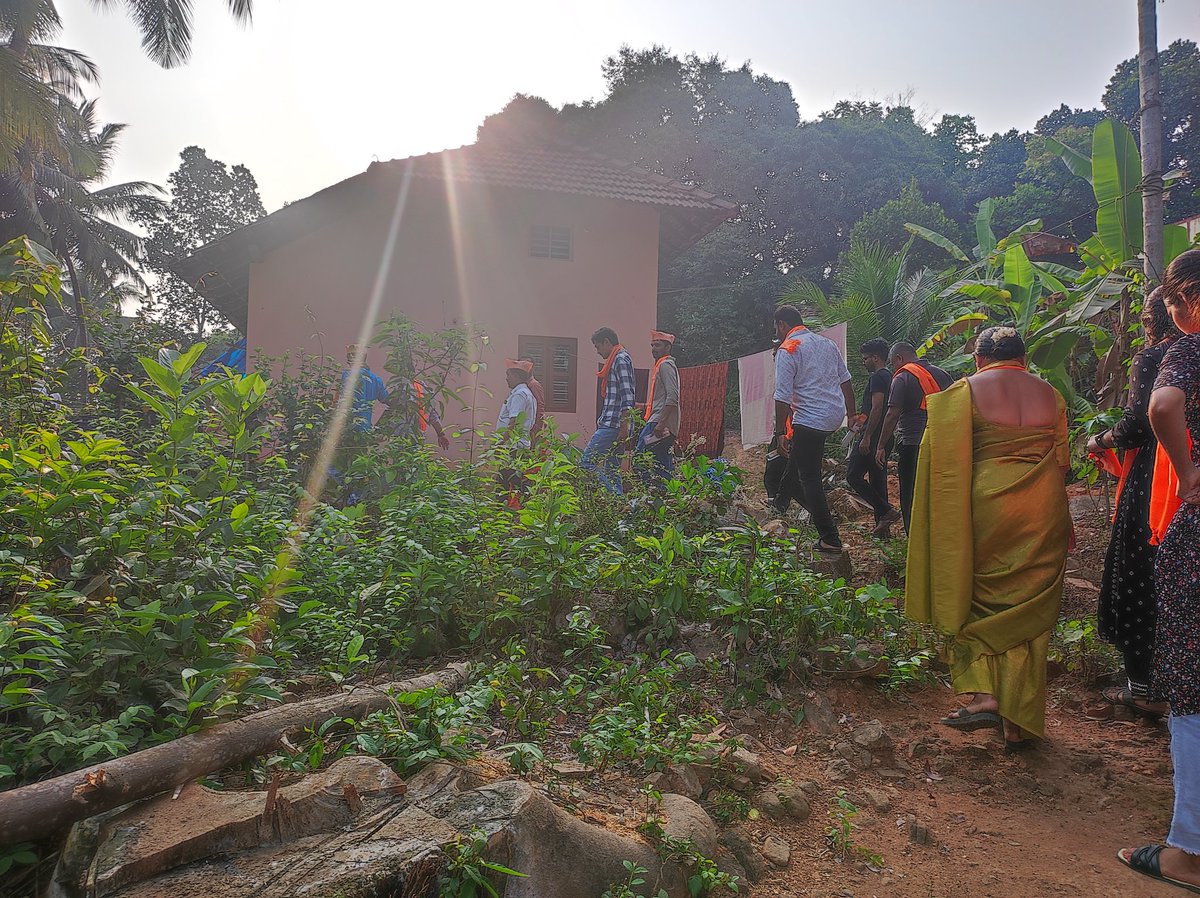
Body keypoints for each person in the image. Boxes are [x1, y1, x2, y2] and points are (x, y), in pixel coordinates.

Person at [906, 326, 1070, 751]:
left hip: (987, 508)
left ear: (979, 359)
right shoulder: (1052, 396)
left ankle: (984, 694)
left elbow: (940, 465)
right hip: (1043, 508)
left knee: (978, 597)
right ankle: (1019, 721)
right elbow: (1061, 464)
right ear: (1024, 359)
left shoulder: (963, 393)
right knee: (1028, 612)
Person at [1119, 249, 1200, 894]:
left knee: (1190, 675)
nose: (1172, 312)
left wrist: (1189, 470)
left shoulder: (1187, 350)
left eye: (1176, 299)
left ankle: (1187, 849)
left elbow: (1161, 407)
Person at [1089, 288, 1179, 718]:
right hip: (1189, 475)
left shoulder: (1158, 357)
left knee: (1141, 577)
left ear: (1150, 321)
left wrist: (1098, 440)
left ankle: (1144, 690)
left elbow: (1136, 427)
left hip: (1154, 480)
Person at [772, 304, 856, 554]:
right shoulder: (826, 343)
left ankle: (830, 537)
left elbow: (782, 397)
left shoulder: (789, 349)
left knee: (809, 479)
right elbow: (846, 380)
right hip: (833, 415)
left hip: (810, 419)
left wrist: (779, 434)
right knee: (795, 465)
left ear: (781, 325)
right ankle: (779, 504)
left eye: (776, 327)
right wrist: (850, 415)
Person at [876, 342, 953, 532]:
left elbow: (892, 414)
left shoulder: (902, 377)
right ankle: (940, 533)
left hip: (912, 443)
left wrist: (881, 446)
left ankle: (914, 537)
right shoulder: (941, 373)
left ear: (899, 359)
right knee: (938, 491)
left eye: (893, 363)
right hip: (941, 441)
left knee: (910, 493)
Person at [848, 338, 900, 537]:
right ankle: (883, 530)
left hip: (873, 437)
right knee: (878, 480)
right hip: (884, 437)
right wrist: (859, 422)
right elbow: (871, 410)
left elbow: (877, 407)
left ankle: (885, 511)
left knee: (853, 476)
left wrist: (867, 436)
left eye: (866, 358)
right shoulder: (891, 377)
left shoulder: (878, 378)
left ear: (876, 358)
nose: (864, 362)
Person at [582, 327, 635, 494]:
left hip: (613, 425)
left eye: (598, 346)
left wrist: (624, 427)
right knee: (612, 468)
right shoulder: (616, 360)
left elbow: (628, 396)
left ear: (607, 342)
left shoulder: (620, 359)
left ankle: (613, 494)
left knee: (586, 463)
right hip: (613, 423)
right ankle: (618, 507)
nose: (597, 352)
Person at [635, 330, 681, 483]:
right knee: (661, 463)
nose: (654, 349)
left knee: (641, 457)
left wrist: (661, 424)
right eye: (652, 346)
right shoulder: (662, 365)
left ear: (668, 348)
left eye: (658, 345)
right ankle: (668, 497)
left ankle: (652, 493)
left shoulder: (666, 365)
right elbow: (663, 399)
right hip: (660, 422)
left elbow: (672, 397)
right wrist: (643, 406)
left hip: (659, 425)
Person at [495, 359, 539, 505]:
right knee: (516, 480)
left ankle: (501, 513)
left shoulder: (519, 394)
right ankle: (524, 510)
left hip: (512, 447)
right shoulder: (525, 393)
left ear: (516, 376)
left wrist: (501, 443)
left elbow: (513, 422)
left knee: (504, 483)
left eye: (508, 375)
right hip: (518, 445)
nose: (506, 378)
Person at [340, 344, 389, 435]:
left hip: (346, 431)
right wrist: (379, 428)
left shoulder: (346, 375)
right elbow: (391, 402)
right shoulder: (376, 380)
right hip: (365, 432)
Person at [522, 357, 546, 441]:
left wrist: (537, 428)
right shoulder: (523, 385)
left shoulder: (534, 385)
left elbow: (540, 407)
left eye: (527, 365)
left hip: (532, 429)